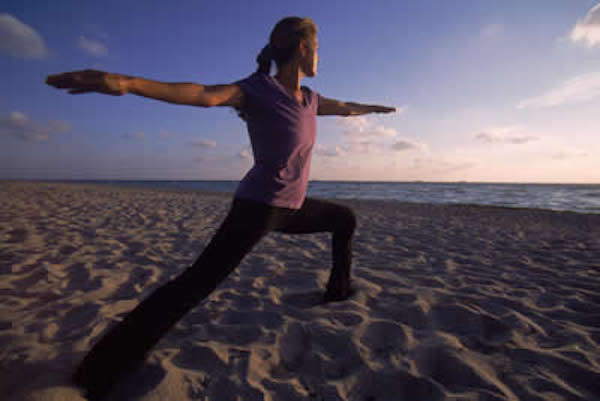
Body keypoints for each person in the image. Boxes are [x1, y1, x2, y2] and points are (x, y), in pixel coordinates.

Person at [46, 16, 396, 400]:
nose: (320, 57)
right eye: (318, 48)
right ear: (302, 48)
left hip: (291, 208)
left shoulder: (310, 100)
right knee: (194, 284)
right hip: (258, 208)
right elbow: (202, 94)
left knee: (345, 219)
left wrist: (373, 109)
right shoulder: (258, 90)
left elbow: (344, 107)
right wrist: (129, 84)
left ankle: (338, 291)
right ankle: (99, 371)